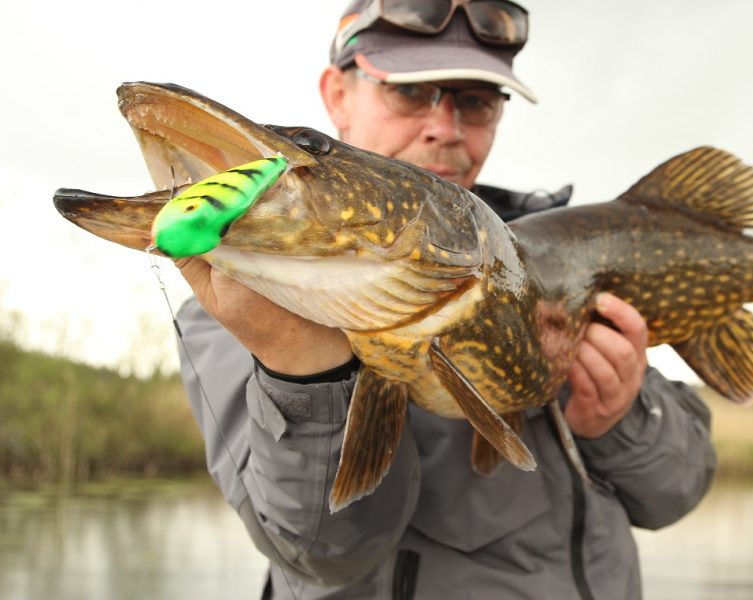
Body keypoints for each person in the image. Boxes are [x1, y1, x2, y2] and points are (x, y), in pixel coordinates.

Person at [174, 1, 717, 597]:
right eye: (409, 93)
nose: (447, 127)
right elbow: (323, 556)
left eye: (475, 101)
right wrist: (305, 376)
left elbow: (677, 494)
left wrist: (621, 418)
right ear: (337, 96)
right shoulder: (236, 306)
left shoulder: (549, 256)